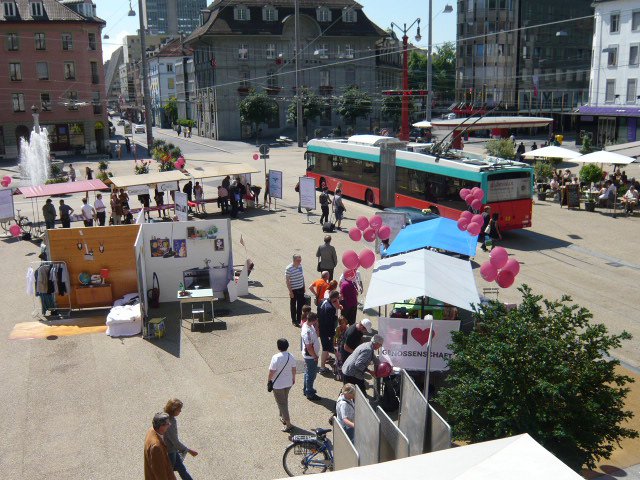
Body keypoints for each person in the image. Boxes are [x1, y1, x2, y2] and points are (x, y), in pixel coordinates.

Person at [163, 399, 198, 480]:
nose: (180, 411)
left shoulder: (167, 417)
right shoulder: (169, 423)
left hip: (172, 450)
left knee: (182, 470)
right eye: (179, 410)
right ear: (173, 410)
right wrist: (189, 450)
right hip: (170, 452)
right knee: (169, 474)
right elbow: (175, 441)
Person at [268, 338, 297, 432]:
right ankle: (283, 416)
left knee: (282, 403)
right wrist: (293, 378)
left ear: (278, 347)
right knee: (284, 400)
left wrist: (269, 381)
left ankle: (288, 424)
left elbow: (272, 371)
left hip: (278, 385)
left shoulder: (276, 357)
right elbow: (294, 369)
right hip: (288, 383)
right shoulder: (291, 356)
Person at [144, 412, 177, 480]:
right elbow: (160, 472)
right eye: (167, 424)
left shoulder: (151, 430)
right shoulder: (156, 447)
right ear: (161, 426)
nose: (169, 425)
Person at [318, 290, 341, 373]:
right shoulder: (331, 308)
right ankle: (322, 367)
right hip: (327, 332)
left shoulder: (322, 302)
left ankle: (327, 359)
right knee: (325, 348)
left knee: (326, 348)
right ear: (335, 298)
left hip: (321, 328)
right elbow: (332, 321)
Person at [301, 312, 321, 401]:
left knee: (307, 372)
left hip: (310, 356)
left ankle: (306, 389)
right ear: (314, 320)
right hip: (310, 357)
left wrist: (316, 326)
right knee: (311, 374)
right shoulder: (307, 332)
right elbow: (309, 347)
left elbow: (316, 335)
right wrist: (315, 357)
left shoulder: (309, 325)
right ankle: (309, 393)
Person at [285, 254, 305, 327]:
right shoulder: (289, 268)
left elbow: (302, 277)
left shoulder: (300, 266)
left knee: (300, 305)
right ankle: (294, 320)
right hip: (294, 290)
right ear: (294, 260)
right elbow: (287, 281)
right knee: (293, 305)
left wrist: (304, 286)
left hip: (301, 288)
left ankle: (299, 319)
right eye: (298, 260)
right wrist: (290, 291)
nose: (300, 261)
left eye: (300, 260)